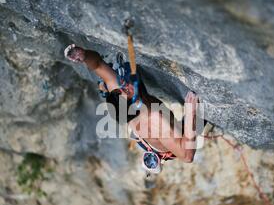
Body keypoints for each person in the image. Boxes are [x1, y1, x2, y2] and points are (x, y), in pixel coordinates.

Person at [64, 44, 203, 170]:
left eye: (122, 88)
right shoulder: (156, 121)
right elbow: (186, 156)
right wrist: (191, 113)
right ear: (134, 104)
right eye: (126, 90)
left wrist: (84, 56)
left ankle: (104, 87)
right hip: (168, 142)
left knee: (121, 73)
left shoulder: (123, 95)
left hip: (141, 120)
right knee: (197, 119)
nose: (125, 85)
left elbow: (98, 65)